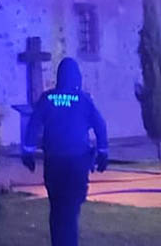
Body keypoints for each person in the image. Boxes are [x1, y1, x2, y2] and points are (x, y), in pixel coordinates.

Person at [21, 57, 108, 246]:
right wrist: (103, 152)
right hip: (77, 163)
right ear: (76, 77)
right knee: (71, 210)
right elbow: (100, 125)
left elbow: (33, 125)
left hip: (54, 163)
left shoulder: (47, 98)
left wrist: (27, 152)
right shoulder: (84, 100)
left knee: (57, 208)